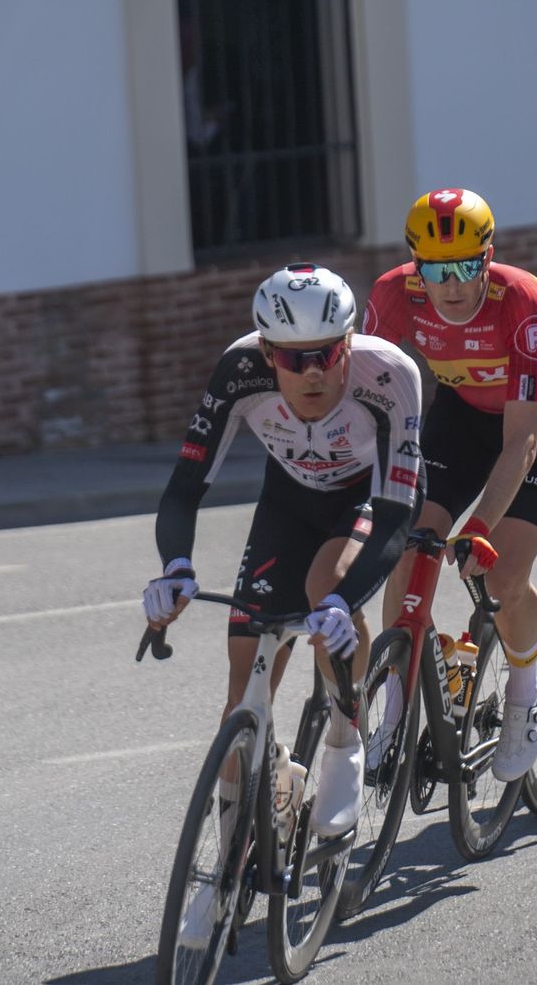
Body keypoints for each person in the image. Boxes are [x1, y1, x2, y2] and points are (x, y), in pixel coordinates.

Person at [144, 265, 423, 853]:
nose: (314, 372)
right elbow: (185, 486)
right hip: (288, 502)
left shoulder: (390, 375)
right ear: (268, 353)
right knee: (242, 696)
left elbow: (398, 515)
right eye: (295, 360)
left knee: (328, 587)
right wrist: (174, 568)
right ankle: (226, 870)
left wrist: (345, 604)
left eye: (326, 353)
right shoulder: (240, 370)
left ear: (348, 342)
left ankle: (345, 742)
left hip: (366, 500)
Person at [366, 188, 537, 783]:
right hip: (461, 415)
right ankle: (395, 707)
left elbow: (522, 443)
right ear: (416, 265)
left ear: (488, 257)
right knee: (408, 549)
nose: (453, 284)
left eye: (466, 266)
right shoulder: (393, 295)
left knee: (501, 573)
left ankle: (523, 691)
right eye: (436, 270)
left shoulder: (522, 302)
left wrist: (483, 526)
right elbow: (367, 403)